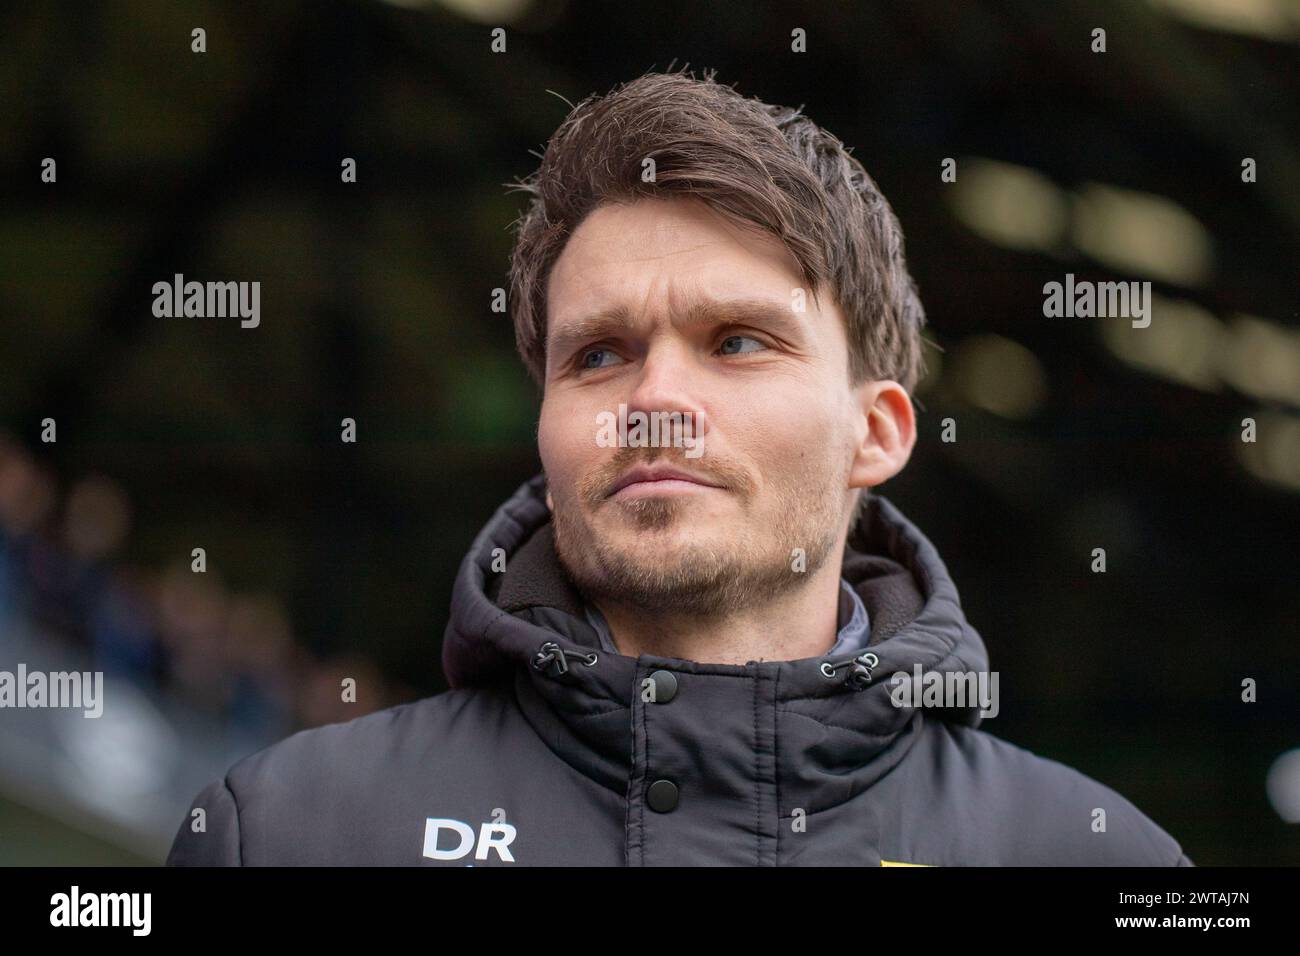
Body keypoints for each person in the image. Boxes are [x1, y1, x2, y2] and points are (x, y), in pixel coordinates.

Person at [167, 68, 1192, 866]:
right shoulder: (292, 830)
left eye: (737, 340)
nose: (654, 402)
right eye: (598, 354)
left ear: (875, 431)